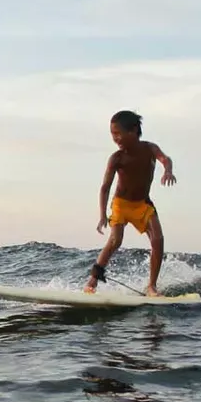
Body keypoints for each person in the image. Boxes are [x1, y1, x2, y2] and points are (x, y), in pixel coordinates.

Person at [84, 110, 176, 296]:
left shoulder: (150, 149)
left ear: (133, 130)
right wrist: (102, 214)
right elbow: (105, 188)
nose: (115, 138)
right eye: (112, 135)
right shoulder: (116, 158)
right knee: (115, 240)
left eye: (118, 134)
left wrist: (167, 170)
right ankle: (92, 282)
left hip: (142, 205)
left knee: (158, 240)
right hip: (121, 204)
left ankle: (151, 287)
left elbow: (165, 159)